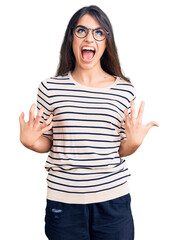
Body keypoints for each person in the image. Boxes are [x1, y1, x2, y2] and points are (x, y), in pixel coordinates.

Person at [19, 5, 159, 240]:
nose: (89, 37)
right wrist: (30, 142)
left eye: (98, 32)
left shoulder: (124, 91)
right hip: (63, 203)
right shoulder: (50, 88)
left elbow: (121, 148)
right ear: (71, 38)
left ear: (106, 42)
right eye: (81, 30)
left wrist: (133, 144)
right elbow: (47, 142)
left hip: (113, 203)